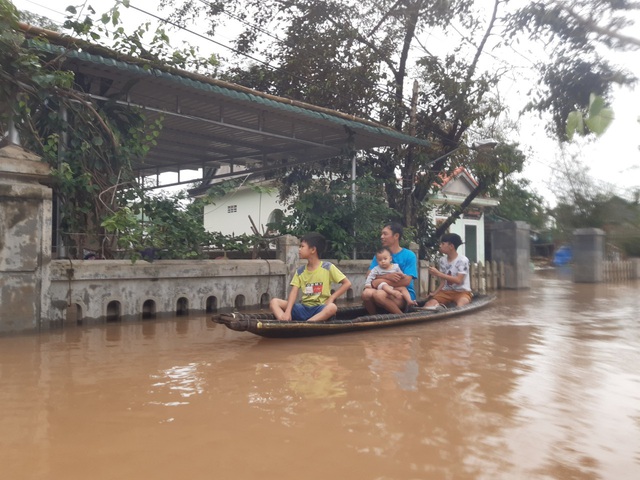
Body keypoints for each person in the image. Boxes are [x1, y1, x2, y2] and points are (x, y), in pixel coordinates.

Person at [270, 232, 352, 322]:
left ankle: (308, 324)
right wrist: (288, 311)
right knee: (274, 302)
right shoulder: (300, 271)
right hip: (304, 308)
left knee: (332, 307)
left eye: (302, 246)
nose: (299, 249)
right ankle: (285, 321)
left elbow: (347, 283)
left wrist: (332, 298)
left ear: (313, 250)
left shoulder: (327, 267)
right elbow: (294, 292)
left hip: (320, 308)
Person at [362, 222, 418, 314]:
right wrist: (387, 277)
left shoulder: (409, 255)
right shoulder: (380, 255)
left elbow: (406, 281)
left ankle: (400, 316)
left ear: (396, 236)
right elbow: (369, 276)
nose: (381, 237)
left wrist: (378, 281)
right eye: (382, 234)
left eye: (385, 234)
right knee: (366, 294)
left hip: (403, 293)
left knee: (379, 295)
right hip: (382, 289)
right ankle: (375, 317)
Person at [425, 233, 472, 308]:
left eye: (443, 244)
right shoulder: (442, 260)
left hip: (462, 292)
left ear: (451, 246)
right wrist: (434, 293)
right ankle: (439, 307)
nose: (440, 246)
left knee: (461, 305)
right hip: (446, 292)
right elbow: (443, 282)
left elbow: (458, 280)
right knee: (428, 305)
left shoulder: (463, 260)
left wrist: (438, 273)